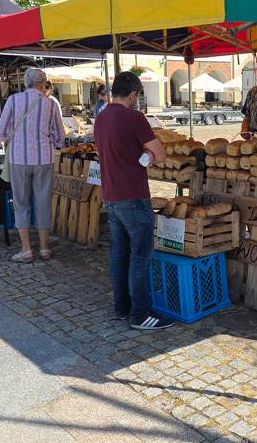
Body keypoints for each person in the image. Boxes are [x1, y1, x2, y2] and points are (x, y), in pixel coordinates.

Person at [94, 71, 171, 330]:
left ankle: (121, 308)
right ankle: (140, 315)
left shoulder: (101, 117)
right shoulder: (134, 117)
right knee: (140, 255)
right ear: (133, 94)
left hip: (111, 194)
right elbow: (159, 153)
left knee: (119, 253)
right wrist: (149, 156)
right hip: (133, 195)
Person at [0, 68, 64, 262]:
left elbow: (1, 131)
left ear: (26, 83)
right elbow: (60, 136)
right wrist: (52, 141)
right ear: (43, 84)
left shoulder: (13, 100)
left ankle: (26, 249)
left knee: (21, 203)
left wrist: (11, 136)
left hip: (19, 159)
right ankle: (44, 248)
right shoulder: (51, 104)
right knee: (43, 202)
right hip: (44, 159)